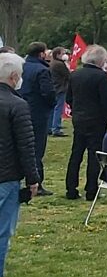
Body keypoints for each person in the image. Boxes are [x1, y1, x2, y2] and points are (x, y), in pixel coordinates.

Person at [0, 51, 40, 277]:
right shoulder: (17, 105)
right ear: (14, 77)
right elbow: (26, 145)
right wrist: (33, 178)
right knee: (2, 231)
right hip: (6, 176)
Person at [65, 45, 107, 201]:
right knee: (94, 155)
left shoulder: (75, 75)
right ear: (101, 60)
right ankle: (91, 189)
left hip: (79, 118)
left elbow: (69, 98)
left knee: (76, 153)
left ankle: (71, 188)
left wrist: (77, 110)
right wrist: (106, 118)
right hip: (96, 120)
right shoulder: (102, 77)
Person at [19, 42, 56, 194]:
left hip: (21, 109)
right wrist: (51, 104)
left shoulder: (22, 67)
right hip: (38, 112)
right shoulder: (42, 70)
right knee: (37, 148)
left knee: (23, 145)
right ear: (41, 54)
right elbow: (47, 92)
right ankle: (36, 181)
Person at [49, 47, 70, 138]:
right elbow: (67, 75)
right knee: (58, 108)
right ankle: (56, 128)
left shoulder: (53, 63)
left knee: (53, 108)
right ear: (57, 54)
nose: (64, 55)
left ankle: (51, 127)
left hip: (54, 87)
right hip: (60, 88)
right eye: (62, 53)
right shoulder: (59, 64)